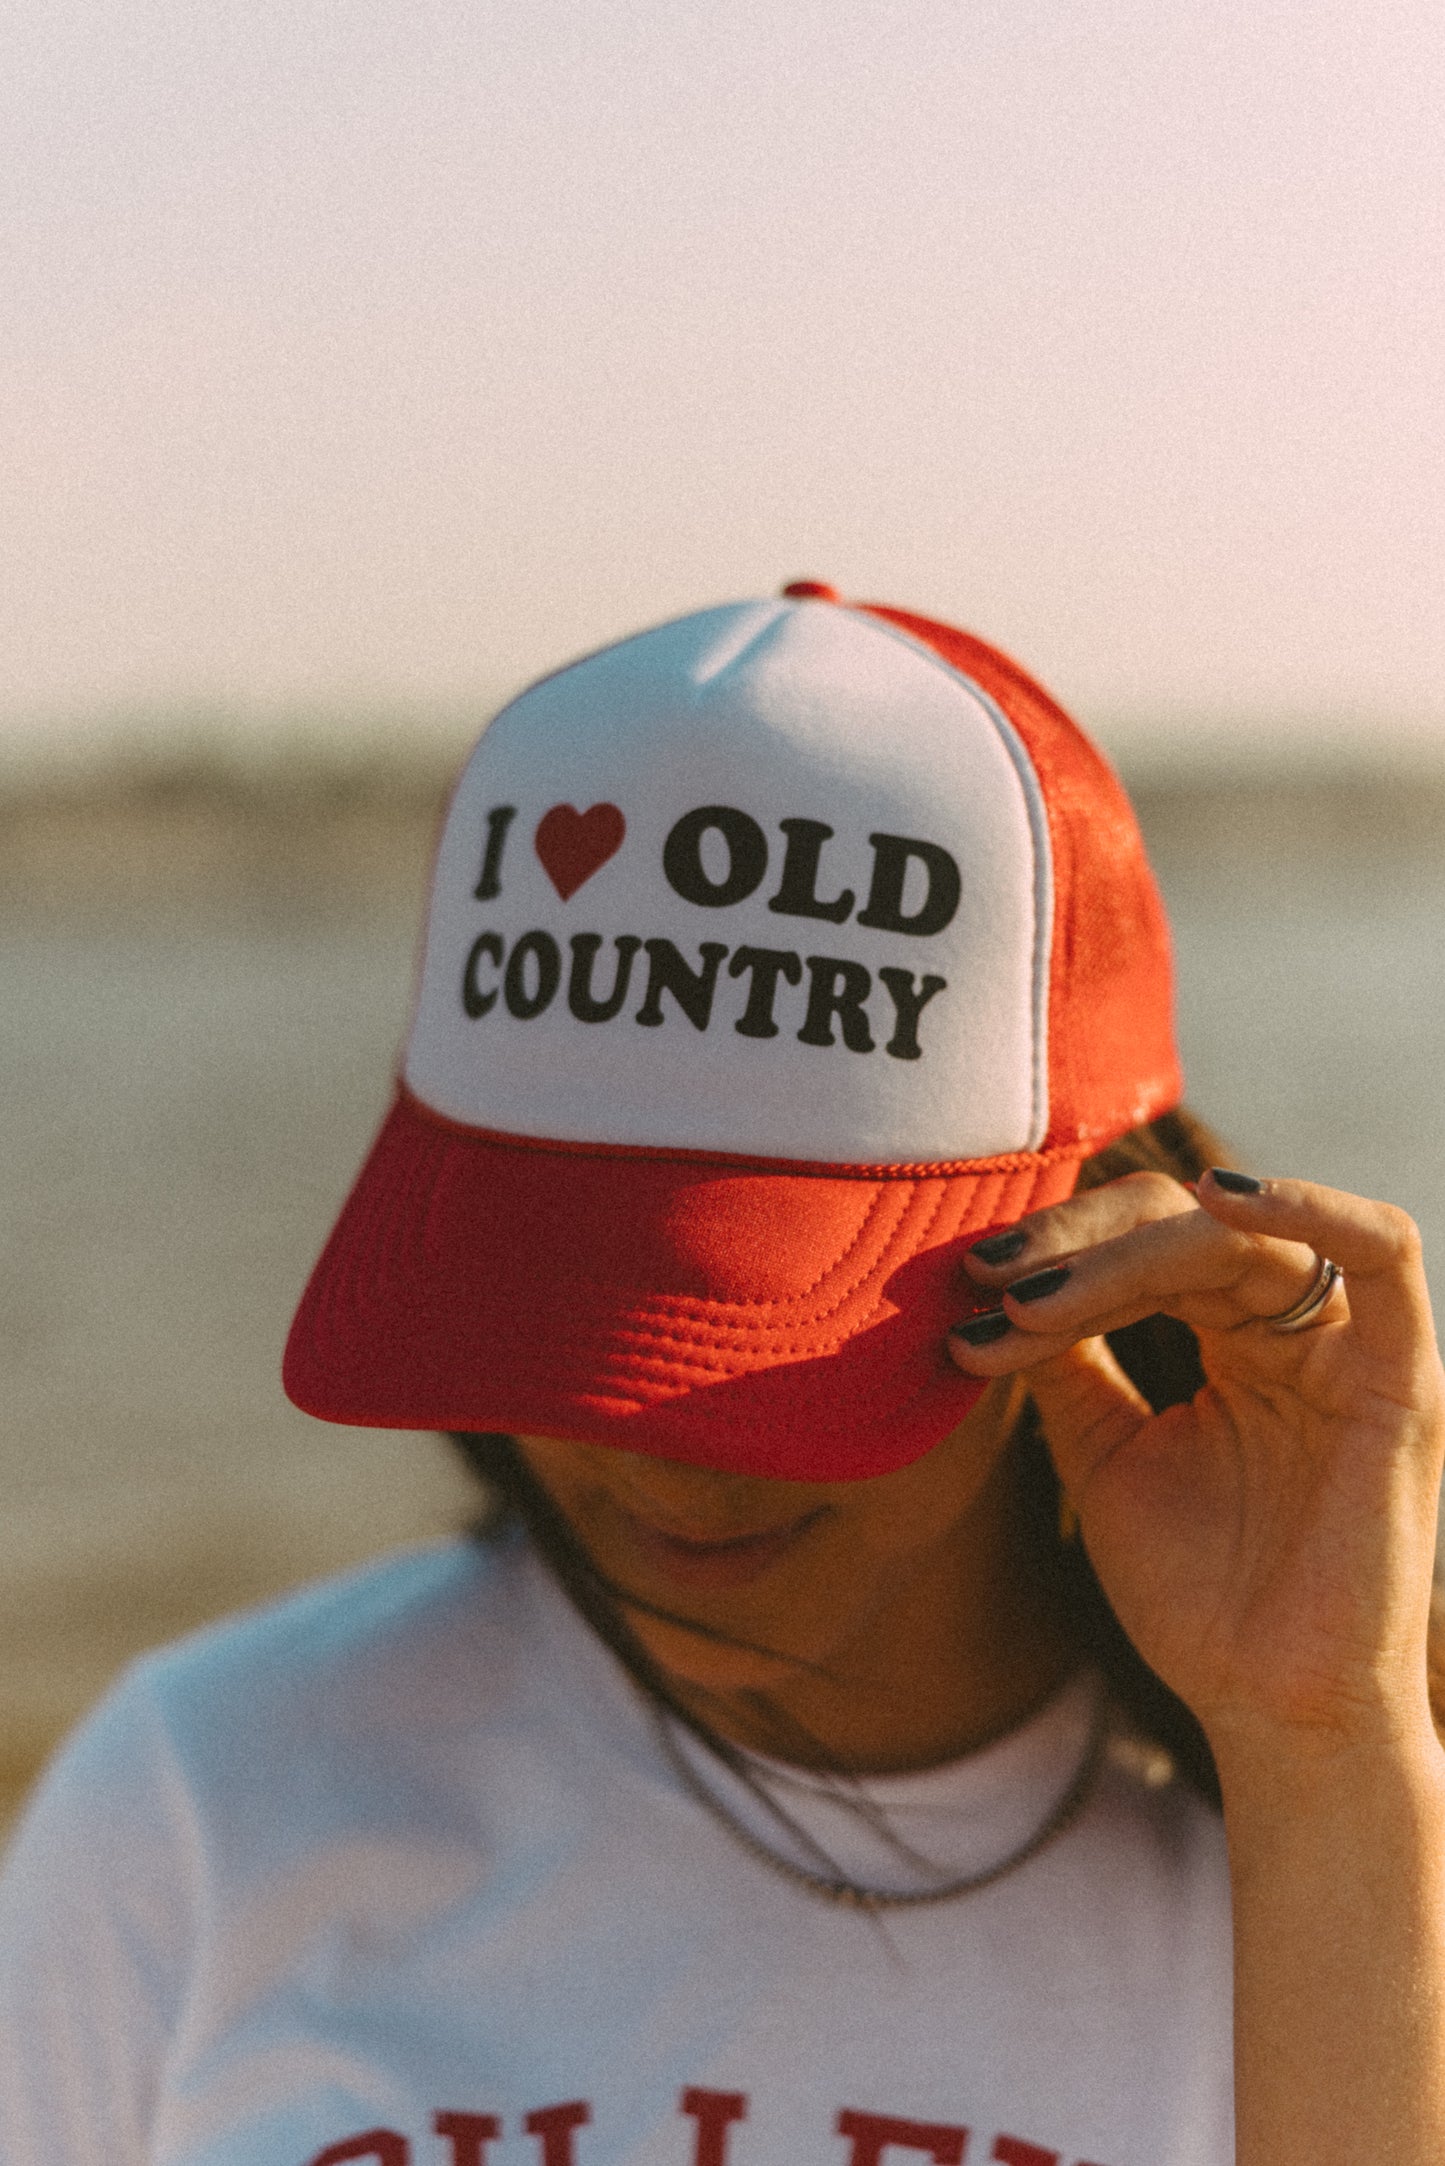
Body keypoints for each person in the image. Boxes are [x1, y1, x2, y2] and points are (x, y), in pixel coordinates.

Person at [2, 583, 1442, 2166]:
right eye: (561, 1303)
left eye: (785, 1326)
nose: (661, 1451)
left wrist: (1325, 1748)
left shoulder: (1342, 1836)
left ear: (1104, 1229)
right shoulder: (203, 1797)